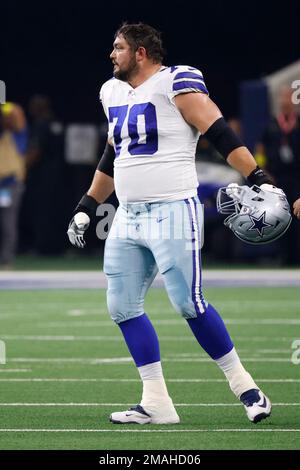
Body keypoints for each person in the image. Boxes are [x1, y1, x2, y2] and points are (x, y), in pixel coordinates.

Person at [68, 23, 278, 425]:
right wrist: (87, 204)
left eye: (118, 48)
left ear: (142, 52)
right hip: (128, 215)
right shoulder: (110, 92)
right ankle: (157, 402)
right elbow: (115, 155)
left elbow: (218, 131)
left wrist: (258, 177)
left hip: (172, 210)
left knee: (188, 302)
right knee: (122, 305)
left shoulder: (175, 81)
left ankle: (247, 388)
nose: (112, 55)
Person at [0, 102, 28, 269]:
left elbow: (18, 116)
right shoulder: (3, 134)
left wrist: (5, 106)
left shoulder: (19, 134)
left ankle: (6, 259)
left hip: (10, 186)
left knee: (7, 222)